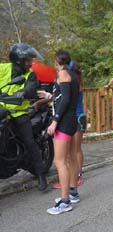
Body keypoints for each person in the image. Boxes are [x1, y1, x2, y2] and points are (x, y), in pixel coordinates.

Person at [0, 43, 47, 191]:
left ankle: (41, 175)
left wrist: (22, 93)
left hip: (18, 111)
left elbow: (30, 87)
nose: (30, 63)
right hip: (2, 108)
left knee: (29, 141)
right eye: (28, 60)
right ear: (18, 60)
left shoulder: (30, 74)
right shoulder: (3, 68)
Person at [46, 50, 80, 215]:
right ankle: (72, 192)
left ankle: (65, 201)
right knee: (70, 157)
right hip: (72, 120)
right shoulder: (72, 74)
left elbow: (65, 100)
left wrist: (55, 121)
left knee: (60, 162)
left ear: (56, 61)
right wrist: (48, 95)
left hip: (64, 122)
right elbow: (63, 96)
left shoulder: (63, 74)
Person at [51, 60, 85, 189]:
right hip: (78, 116)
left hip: (73, 117)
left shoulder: (71, 82)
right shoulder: (78, 83)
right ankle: (74, 179)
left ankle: (75, 178)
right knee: (75, 151)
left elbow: (65, 99)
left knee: (71, 154)